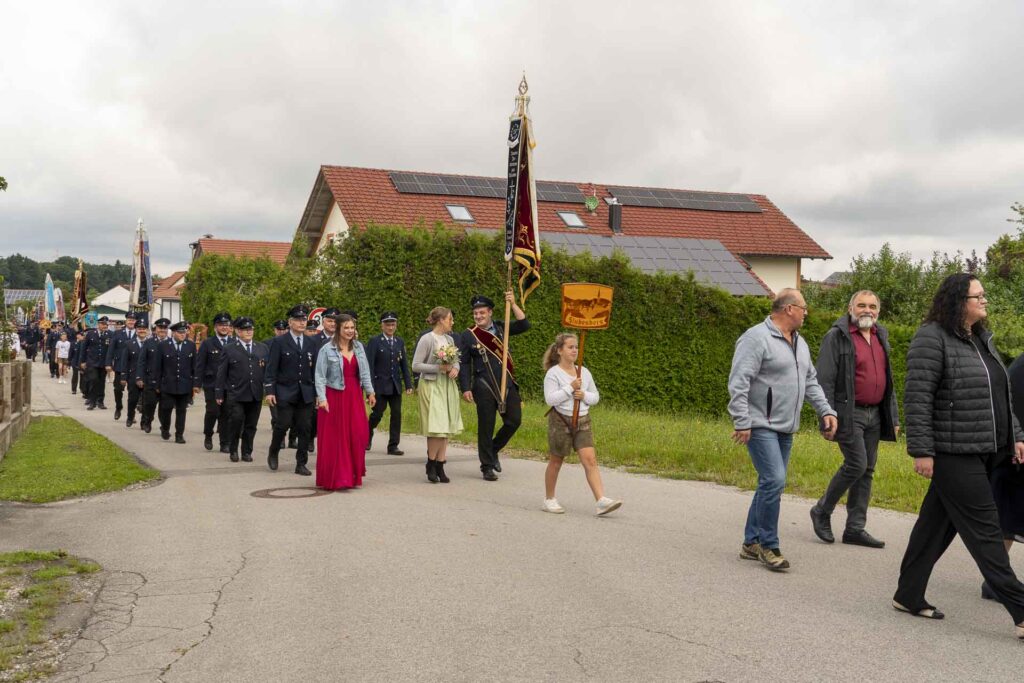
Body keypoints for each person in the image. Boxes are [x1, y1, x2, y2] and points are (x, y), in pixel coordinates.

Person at [893, 274, 1024, 638]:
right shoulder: (931, 338)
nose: (984, 301)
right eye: (977, 296)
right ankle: (1021, 610)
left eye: (984, 295)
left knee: (934, 525)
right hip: (953, 453)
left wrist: (1016, 435)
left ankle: (907, 594)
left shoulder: (981, 339)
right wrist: (921, 450)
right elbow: (917, 398)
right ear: (956, 300)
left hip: (985, 450)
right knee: (987, 532)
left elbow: (1001, 396)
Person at [728, 288, 838, 572]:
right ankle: (768, 545)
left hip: (786, 427)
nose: (806, 313)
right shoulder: (756, 338)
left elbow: (810, 380)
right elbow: (739, 381)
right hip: (760, 423)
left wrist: (825, 409)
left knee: (770, 482)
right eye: (803, 307)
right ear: (789, 308)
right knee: (774, 480)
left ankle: (750, 542)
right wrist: (742, 420)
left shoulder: (799, 342)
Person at [810, 290, 900, 549]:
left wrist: (892, 416)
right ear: (850, 308)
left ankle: (855, 528)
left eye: (872, 306)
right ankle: (822, 510)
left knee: (868, 470)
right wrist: (825, 416)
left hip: (875, 413)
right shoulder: (836, 337)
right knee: (857, 464)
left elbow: (888, 381)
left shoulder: (880, 336)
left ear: (878, 311)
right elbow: (823, 380)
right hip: (848, 413)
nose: (867, 310)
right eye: (861, 305)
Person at [541, 332, 622, 516]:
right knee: (556, 461)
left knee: (590, 460)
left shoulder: (583, 371)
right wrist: (571, 388)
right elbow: (550, 399)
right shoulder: (553, 374)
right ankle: (549, 499)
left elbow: (595, 397)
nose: (575, 350)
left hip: (583, 421)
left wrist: (584, 395)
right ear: (560, 350)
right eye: (570, 347)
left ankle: (601, 500)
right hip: (561, 421)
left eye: (576, 347)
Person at [459, 292, 530, 481]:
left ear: (490, 312)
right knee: (486, 426)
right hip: (483, 385)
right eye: (476, 313)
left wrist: (513, 304)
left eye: (482, 312)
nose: (479, 316)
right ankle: (487, 466)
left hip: (507, 383)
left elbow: (524, 325)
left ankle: (493, 449)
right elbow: (464, 363)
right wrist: (465, 387)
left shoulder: (501, 326)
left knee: (514, 421)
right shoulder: (468, 335)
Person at [314, 313, 375, 489]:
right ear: (338, 329)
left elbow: (364, 372)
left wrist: (370, 392)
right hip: (334, 395)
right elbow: (319, 376)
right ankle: (339, 477)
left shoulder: (359, 347)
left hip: (354, 394)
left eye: (352, 327)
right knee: (337, 437)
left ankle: (354, 474)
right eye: (346, 328)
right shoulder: (326, 349)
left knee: (358, 433)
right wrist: (322, 399)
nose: (350, 331)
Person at [264, 305, 319, 476]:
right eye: (298, 320)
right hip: (285, 390)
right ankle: (273, 451)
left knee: (304, 427)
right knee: (283, 424)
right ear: (290, 322)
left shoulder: (312, 342)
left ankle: (301, 463)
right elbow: (271, 369)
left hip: (306, 392)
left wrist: (317, 393)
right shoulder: (279, 342)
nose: (302, 323)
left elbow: (316, 369)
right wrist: (270, 391)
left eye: (304, 320)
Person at [412, 307, 463, 483]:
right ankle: (431, 463)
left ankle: (441, 465)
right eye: (450, 319)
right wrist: (438, 368)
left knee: (446, 425)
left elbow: (456, 360)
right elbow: (416, 365)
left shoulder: (449, 339)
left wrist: (455, 368)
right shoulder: (427, 339)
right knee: (436, 426)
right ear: (441, 320)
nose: (452, 322)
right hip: (431, 385)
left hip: (447, 385)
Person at [992, 349, 1024, 600]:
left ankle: (996, 581)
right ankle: (996, 581)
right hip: (1015, 455)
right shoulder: (1020, 368)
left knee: (1009, 518)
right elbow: (1012, 407)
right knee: (1008, 518)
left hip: (1013, 454)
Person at [215, 317, 268, 462]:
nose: (249, 332)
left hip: (255, 393)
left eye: (251, 329)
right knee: (236, 422)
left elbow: (267, 371)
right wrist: (219, 393)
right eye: (245, 329)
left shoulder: (262, 348)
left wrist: (269, 390)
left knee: (251, 425)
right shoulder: (229, 348)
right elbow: (222, 373)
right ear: (238, 331)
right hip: (236, 393)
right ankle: (233, 449)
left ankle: (247, 451)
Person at [366, 311, 414, 455]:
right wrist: (370, 389)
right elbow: (370, 365)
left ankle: (393, 445)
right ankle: (367, 435)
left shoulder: (399, 342)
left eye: (393, 324)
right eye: (388, 324)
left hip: (395, 385)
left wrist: (408, 384)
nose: (390, 327)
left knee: (396, 414)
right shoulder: (375, 341)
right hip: (380, 386)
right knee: (377, 414)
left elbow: (404, 364)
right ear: (382, 326)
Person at [195, 312, 235, 452]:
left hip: (229, 384)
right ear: (215, 327)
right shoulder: (207, 343)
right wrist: (197, 384)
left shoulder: (233, 342)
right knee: (212, 411)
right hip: (212, 383)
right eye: (221, 325)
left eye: (227, 325)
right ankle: (208, 435)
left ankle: (224, 442)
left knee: (226, 413)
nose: (224, 328)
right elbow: (200, 365)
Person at [153, 320, 198, 444]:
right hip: (168, 384)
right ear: (173, 333)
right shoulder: (163, 345)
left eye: (184, 332)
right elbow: (158, 367)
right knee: (166, 409)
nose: (183, 334)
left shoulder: (190, 345)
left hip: (184, 385)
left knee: (181, 411)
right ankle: (165, 429)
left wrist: (195, 384)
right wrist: (157, 384)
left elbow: (194, 367)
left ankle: (179, 435)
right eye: (180, 332)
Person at [135, 318, 170, 433]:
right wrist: (139, 377)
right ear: (156, 329)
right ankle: (147, 421)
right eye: (160, 328)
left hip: (166, 381)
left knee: (165, 406)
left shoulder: (171, 343)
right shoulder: (149, 342)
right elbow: (142, 361)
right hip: (151, 379)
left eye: (165, 328)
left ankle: (164, 426)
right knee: (149, 404)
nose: (162, 330)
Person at [105, 313, 139, 421]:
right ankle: (118, 407)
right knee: (118, 389)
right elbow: (111, 349)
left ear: (136, 321)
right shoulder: (118, 333)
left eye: (133, 320)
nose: (131, 322)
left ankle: (131, 414)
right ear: (126, 321)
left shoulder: (139, 334)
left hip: (134, 367)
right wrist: (108, 363)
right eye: (129, 320)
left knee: (133, 393)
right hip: (120, 366)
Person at [120, 319, 148, 428]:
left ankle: (144, 422)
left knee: (146, 400)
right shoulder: (129, 344)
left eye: (144, 329)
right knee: (132, 399)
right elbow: (124, 361)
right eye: (140, 328)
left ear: (147, 330)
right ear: (136, 330)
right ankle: (130, 417)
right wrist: (123, 376)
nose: (142, 330)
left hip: (146, 376)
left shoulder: (150, 343)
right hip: (132, 376)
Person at [80, 316, 113, 410]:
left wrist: (110, 363)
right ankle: (92, 401)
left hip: (104, 363)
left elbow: (111, 349)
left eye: (106, 324)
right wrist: (82, 361)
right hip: (92, 362)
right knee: (94, 380)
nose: (104, 326)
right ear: (98, 324)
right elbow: (84, 348)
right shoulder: (91, 333)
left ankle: (100, 401)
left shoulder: (110, 334)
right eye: (102, 324)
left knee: (101, 382)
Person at [69, 330, 84, 394]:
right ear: (77, 335)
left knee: (82, 376)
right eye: (79, 335)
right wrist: (69, 362)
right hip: (75, 361)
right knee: (75, 376)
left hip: (82, 362)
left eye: (81, 335)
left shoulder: (84, 343)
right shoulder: (73, 343)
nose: (81, 336)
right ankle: (74, 389)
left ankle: (82, 388)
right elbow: (70, 353)